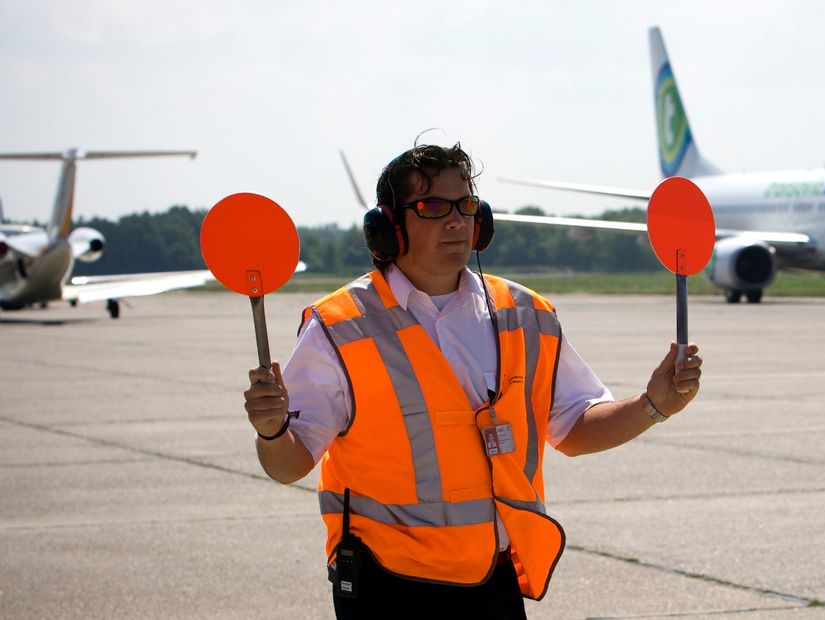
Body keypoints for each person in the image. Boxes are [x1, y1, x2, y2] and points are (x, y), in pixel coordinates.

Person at [243, 141, 703, 618]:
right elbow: (289, 465)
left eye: (465, 206)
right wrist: (273, 430)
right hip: (385, 586)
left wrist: (653, 405)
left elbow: (575, 429)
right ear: (387, 227)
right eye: (433, 207)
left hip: (493, 581)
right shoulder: (338, 326)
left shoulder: (526, 314)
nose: (456, 221)